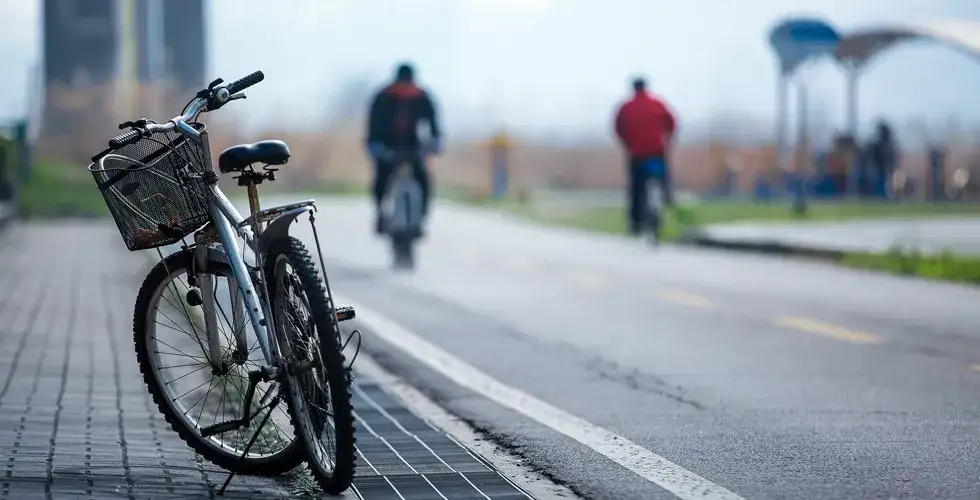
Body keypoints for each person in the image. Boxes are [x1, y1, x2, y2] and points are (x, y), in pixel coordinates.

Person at [365, 62, 443, 235]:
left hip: (413, 146)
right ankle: (380, 213)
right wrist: (373, 144)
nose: (405, 88)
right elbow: (373, 124)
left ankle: (421, 218)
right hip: (387, 146)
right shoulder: (384, 96)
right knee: (381, 179)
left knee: (423, 179)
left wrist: (436, 141)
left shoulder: (422, 97)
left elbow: (433, 122)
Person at [613, 76, 677, 236]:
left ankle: (636, 224)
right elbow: (672, 123)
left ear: (633, 88)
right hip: (657, 151)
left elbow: (618, 128)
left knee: (636, 188)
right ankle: (667, 198)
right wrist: (667, 138)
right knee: (662, 178)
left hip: (637, 154)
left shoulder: (626, 107)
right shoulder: (658, 104)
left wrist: (626, 143)